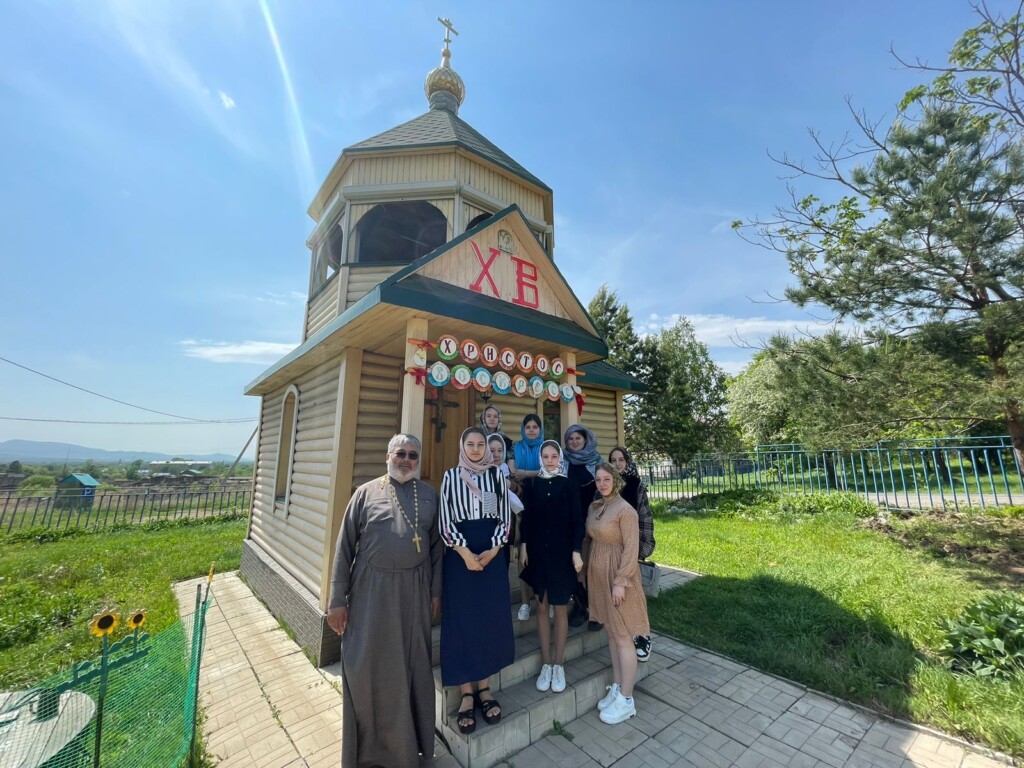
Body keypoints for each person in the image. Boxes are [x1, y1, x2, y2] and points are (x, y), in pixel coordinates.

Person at [327, 434, 442, 768]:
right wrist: (337, 599)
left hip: (414, 593)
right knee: (365, 668)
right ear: (388, 456)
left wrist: (436, 592)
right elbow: (344, 546)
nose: (406, 460)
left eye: (412, 455)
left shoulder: (429, 495)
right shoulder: (365, 494)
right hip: (371, 593)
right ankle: (369, 752)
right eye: (400, 453)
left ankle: (410, 749)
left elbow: (437, 549)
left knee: (412, 668)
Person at [439, 427, 514, 734]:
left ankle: (484, 688)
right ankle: (466, 693)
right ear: (462, 447)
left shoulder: (494, 476)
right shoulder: (450, 477)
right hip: (460, 555)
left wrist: (494, 549)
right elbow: (446, 518)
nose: (475, 449)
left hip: (491, 553)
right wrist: (465, 552)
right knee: (462, 620)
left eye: (480, 444)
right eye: (469, 444)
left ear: (486, 447)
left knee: (487, 619)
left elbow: (502, 517)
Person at [586, 462, 650, 725]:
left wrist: (620, 581)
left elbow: (631, 549)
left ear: (615, 481)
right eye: (598, 480)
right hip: (599, 576)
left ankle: (627, 698)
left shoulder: (626, 511)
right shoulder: (596, 507)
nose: (602, 484)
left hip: (618, 577)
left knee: (623, 636)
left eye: (606, 479)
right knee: (612, 633)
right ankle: (617, 685)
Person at [519, 440, 584, 693]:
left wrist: (576, 550)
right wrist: (524, 545)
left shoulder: (568, 485)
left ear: (559, 458)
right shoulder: (532, 485)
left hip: (561, 556)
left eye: (553, 456)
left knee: (560, 608)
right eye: (545, 456)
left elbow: (577, 521)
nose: (549, 461)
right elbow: (527, 518)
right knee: (542, 607)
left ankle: (559, 664)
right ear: (540, 459)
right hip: (538, 555)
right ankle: (546, 663)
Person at [609, 446, 655, 662]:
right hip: (611, 548)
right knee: (619, 594)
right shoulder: (606, 484)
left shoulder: (636, 486)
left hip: (631, 546)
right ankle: (626, 632)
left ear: (627, 462)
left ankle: (643, 635)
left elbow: (645, 517)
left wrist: (642, 547)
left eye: (621, 460)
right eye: (613, 460)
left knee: (634, 592)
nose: (617, 464)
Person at [563, 424, 600, 628]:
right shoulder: (563, 461)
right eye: (570, 439)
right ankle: (581, 606)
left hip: (593, 521)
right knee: (575, 566)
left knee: (592, 566)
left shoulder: (597, 461)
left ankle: (597, 612)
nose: (574, 442)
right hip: (570, 522)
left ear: (585, 439)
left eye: (578, 438)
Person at [512, 413, 545, 620]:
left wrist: (525, 473)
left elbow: (549, 469)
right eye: (528, 427)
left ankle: (543, 598)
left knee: (541, 550)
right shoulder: (515, 448)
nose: (531, 430)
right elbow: (514, 473)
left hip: (543, 501)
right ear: (523, 429)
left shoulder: (546, 448)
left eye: (535, 427)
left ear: (540, 429)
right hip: (521, 501)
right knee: (522, 551)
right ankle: (525, 602)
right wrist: (532, 472)